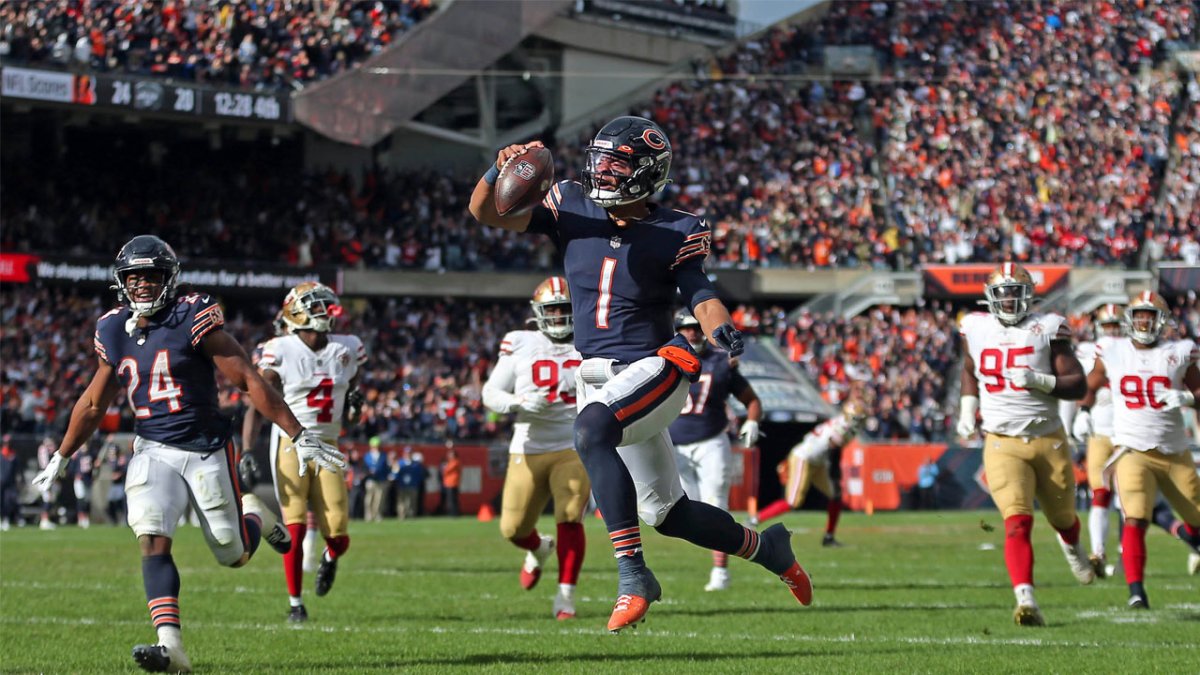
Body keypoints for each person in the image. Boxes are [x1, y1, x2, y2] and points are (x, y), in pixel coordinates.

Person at [468, 116, 811, 633]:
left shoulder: (677, 228)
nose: (602, 170)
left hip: (656, 367)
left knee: (590, 431)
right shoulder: (569, 205)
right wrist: (497, 170)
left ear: (647, 171)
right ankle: (769, 550)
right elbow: (486, 214)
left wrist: (720, 328)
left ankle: (632, 575)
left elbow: (699, 291)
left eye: (617, 162)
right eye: (601, 158)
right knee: (669, 514)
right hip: (597, 376)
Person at [31, 235, 344, 673]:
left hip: (205, 449)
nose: (142, 285)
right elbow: (93, 403)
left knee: (231, 554)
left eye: (151, 276)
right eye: (134, 277)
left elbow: (249, 380)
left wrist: (298, 432)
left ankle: (257, 517)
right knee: (151, 534)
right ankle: (171, 647)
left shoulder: (193, 315)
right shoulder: (112, 329)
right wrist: (62, 455)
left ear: (169, 278)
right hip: (152, 449)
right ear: (121, 282)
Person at [955, 262, 1093, 627]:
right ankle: (1025, 599)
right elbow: (970, 369)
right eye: (1004, 293)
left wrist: (1039, 380)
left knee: (1063, 518)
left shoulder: (1047, 328)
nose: (1011, 301)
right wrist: (968, 407)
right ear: (991, 298)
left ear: (1029, 296)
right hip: (1002, 441)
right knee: (1017, 521)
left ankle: (1072, 544)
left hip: (1047, 438)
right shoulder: (975, 327)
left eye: (1017, 293)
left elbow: (1077, 384)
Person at [1076, 291, 1200, 609]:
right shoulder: (1114, 350)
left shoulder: (1179, 351)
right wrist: (1084, 412)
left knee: (1196, 516)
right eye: (1140, 315)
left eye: (1150, 315)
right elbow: (1090, 384)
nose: (1144, 321)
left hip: (1173, 450)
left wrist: (1187, 398)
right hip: (1131, 449)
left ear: (1162, 321)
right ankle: (1136, 591)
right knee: (1135, 518)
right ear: (1130, 319)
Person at [251, 281, 366, 623]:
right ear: (297, 313)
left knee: (340, 533)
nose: (325, 312)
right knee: (296, 524)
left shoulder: (348, 348)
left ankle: (330, 559)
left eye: (325, 306)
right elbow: (255, 400)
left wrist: (357, 409)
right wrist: (244, 447)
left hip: (328, 443)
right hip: (291, 441)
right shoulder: (280, 349)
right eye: (316, 306)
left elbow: (353, 412)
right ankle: (295, 604)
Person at [482, 276, 591, 619]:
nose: (559, 316)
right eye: (552, 309)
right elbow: (490, 393)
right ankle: (538, 548)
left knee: (571, 514)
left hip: (573, 443)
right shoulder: (520, 342)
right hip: (528, 446)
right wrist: (520, 403)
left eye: (564, 309)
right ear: (538, 313)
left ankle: (566, 596)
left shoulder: (592, 342)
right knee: (512, 529)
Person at [667, 309, 763, 591]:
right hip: (675, 447)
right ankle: (732, 549)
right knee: (685, 514)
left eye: (697, 328)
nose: (692, 333)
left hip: (711, 441)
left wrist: (753, 421)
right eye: (685, 329)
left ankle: (721, 571)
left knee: (716, 503)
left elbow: (751, 400)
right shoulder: (663, 361)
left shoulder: (721, 362)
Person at [1061, 304, 1124, 575]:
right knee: (1100, 493)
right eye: (1106, 325)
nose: (1110, 330)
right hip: (1098, 430)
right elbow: (1075, 389)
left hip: (1127, 432)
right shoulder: (1088, 353)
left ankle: (1125, 556)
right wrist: (1075, 420)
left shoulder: (1133, 350)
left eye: (1114, 325)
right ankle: (1098, 552)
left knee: (1127, 497)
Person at [754, 400, 867, 547]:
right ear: (848, 417)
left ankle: (829, 537)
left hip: (818, 462)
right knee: (793, 502)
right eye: (857, 419)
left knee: (835, 496)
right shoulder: (841, 428)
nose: (860, 422)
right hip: (804, 458)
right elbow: (833, 445)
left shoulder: (841, 425)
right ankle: (755, 519)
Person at [36, 436, 59, 530]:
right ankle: (44, 520)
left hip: (44, 473)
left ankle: (45, 520)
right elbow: (46, 465)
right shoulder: (44, 449)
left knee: (49, 498)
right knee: (48, 498)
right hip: (44, 474)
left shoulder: (42, 448)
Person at [363, 437, 388, 522]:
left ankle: (377, 514)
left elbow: (385, 468)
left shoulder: (383, 455)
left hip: (381, 479)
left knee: (379, 499)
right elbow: (364, 468)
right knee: (369, 499)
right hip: (370, 480)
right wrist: (368, 472)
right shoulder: (367, 456)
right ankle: (368, 515)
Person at [1, 435, 20, 530]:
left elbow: (17, 470)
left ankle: (7, 519)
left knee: (9, 501)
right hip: (1, 481)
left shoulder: (13, 455)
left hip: (10, 482)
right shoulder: (1, 454)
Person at [440, 449, 462, 517]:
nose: (449, 456)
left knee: (452, 499)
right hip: (449, 483)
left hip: (452, 483)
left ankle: (454, 513)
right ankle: (452, 512)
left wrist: (444, 467)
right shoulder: (450, 462)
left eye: (451, 454)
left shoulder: (455, 462)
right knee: (451, 499)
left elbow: (446, 470)